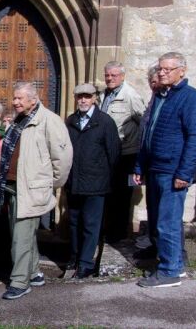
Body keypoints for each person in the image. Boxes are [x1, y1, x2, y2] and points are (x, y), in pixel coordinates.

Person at [133, 52, 196, 288]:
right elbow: (149, 134)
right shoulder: (161, 96)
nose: (162, 72)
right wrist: (140, 166)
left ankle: (171, 271)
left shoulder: (190, 97)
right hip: (155, 168)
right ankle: (170, 264)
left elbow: (195, 137)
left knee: (168, 222)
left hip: (172, 171)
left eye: (167, 69)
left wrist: (184, 174)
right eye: (160, 69)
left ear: (182, 71)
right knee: (159, 221)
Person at [0, 82, 72, 300]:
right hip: (12, 187)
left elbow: (62, 158)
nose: (15, 102)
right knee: (22, 235)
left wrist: (49, 184)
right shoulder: (19, 120)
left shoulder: (49, 121)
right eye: (14, 98)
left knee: (21, 237)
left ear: (33, 99)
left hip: (31, 188)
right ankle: (34, 272)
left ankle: (20, 281)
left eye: (20, 98)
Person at [65, 84, 120, 278]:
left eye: (87, 96)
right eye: (80, 96)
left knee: (90, 224)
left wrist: (106, 180)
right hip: (74, 183)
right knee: (73, 223)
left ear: (95, 98)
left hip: (96, 185)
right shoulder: (70, 121)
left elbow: (114, 154)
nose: (83, 100)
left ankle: (86, 264)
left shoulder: (105, 122)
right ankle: (75, 256)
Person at [99, 61, 146, 243]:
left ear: (122, 76)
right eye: (107, 75)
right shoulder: (104, 95)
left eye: (114, 75)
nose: (110, 78)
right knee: (108, 192)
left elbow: (143, 122)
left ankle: (118, 234)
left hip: (126, 154)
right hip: (107, 154)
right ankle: (106, 230)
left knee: (122, 195)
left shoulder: (130, 96)